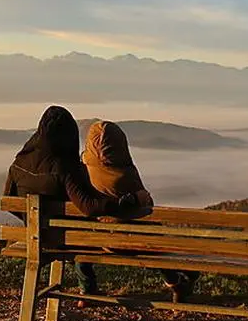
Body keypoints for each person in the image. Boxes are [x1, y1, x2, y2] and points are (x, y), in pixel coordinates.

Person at [3, 106, 146, 301]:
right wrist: (120, 205)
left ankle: (87, 289)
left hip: (36, 237)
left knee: (78, 231)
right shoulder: (65, 167)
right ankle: (87, 288)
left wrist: (34, 222)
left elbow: (10, 203)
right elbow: (88, 207)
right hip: (66, 239)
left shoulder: (18, 163)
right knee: (85, 231)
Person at [81, 120, 200, 303]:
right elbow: (145, 208)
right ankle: (175, 282)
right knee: (152, 238)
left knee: (84, 242)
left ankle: (87, 290)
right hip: (126, 242)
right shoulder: (124, 175)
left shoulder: (82, 170)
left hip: (92, 238)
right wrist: (143, 196)